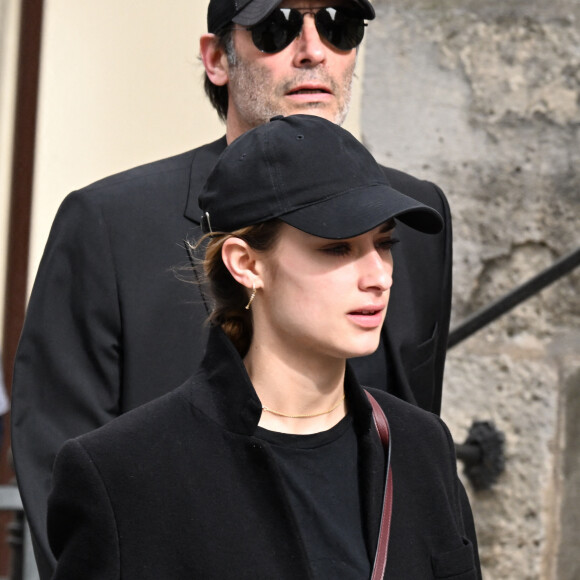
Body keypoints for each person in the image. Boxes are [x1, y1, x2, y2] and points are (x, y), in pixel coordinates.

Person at [11, 1, 452, 578]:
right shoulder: (109, 223)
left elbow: (412, 452)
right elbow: (62, 477)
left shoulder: (416, 217)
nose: (313, 50)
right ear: (217, 58)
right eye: (278, 27)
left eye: (340, 25)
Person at [48, 115, 479, 580]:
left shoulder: (420, 446)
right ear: (246, 263)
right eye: (337, 249)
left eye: (385, 243)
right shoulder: (125, 473)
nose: (379, 276)